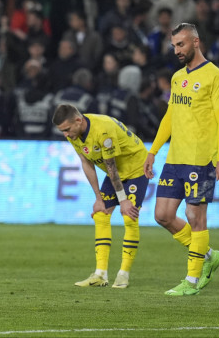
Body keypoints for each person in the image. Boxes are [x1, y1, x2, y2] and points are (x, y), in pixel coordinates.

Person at [144, 23, 219, 296]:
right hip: (175, 158)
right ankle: (208, 256)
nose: (176, 50)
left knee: (195, 216)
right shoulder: (177, 77)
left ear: (196, 41)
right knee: (163, 216)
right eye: (173, 46)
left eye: (181, 44)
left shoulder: (216, 77)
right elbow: (171, 117)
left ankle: (192, 281)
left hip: (201, 159)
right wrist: (153, 150)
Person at [52, 104, 148, 289]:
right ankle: (100, 274)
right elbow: (86, 162)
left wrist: (123, 200)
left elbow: (110, 166)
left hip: (136, 167)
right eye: (62, 131)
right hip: (116, 171)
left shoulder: (103, 130)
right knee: (100, 213)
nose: (65, 135)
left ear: (78, 121)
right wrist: (98, 198)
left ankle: (123, 274)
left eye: (67, 129)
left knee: (129, 216)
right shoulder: (74, 133)